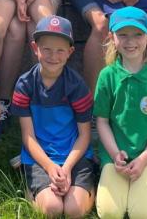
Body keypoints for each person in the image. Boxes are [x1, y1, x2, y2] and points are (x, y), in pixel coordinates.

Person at [93, 7, 147, 219]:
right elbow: (102, 121)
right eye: (123, 35)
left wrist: (143, 159)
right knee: (110, 213)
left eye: (138, 34)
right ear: (112, 38)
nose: (130, 41)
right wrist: (114, 154)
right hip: (115, 154)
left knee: (142, 213)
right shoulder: (106, 76)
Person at [11, 16, 95, 218]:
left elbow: (85, 135)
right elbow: (28, 136)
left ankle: (91, 185)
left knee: (74, 210)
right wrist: (49, 167)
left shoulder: (77, 86)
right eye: (46, 49)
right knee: (52, 208)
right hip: (40, 156)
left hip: (74, 155)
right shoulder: (24, 85)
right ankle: (31, 185)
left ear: (70, 52)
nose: (53, 56)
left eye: (60, 50)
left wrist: (66, 169)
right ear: (35, 48)